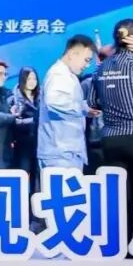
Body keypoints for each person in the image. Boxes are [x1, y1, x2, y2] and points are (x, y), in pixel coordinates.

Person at [95, 19, 133, 242]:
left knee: (122, 197)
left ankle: (123, 244)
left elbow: (93, 101)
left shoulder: (102, 67)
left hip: (112, 140)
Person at [37, 34, 97, 171]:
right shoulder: (58, 74)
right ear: (73, 54)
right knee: (63, 186)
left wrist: (86, 109)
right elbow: (55, 102)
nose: (87, 65)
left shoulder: (69, 75)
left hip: (67, 151)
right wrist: (81, 109)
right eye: (86, 60)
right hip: (59, 152)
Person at [80, 45, 115, 174]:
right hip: (93, 141)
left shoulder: (122, 81)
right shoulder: (87, 83)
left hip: (115, 139)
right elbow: (79, 109)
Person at [9, 66, 41, 193]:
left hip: (40, 142)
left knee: (38, 175)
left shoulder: (42, 97)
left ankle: (35, 201)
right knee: (22, 173)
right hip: (22, 143)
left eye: (34, 78)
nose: (32, 82)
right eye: (29, 79)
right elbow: (13, 121)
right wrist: (34, 121)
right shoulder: (14, 98)